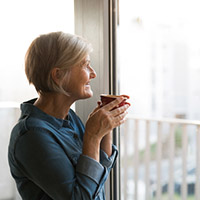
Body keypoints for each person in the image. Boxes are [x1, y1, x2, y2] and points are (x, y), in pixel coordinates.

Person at [8, 32, 130, 200]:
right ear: (58, 75)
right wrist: (92, 137)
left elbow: (97, 179)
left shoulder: (69, 118)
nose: (93, 73)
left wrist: (105, 129)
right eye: (85, 65)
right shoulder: (31, 136)